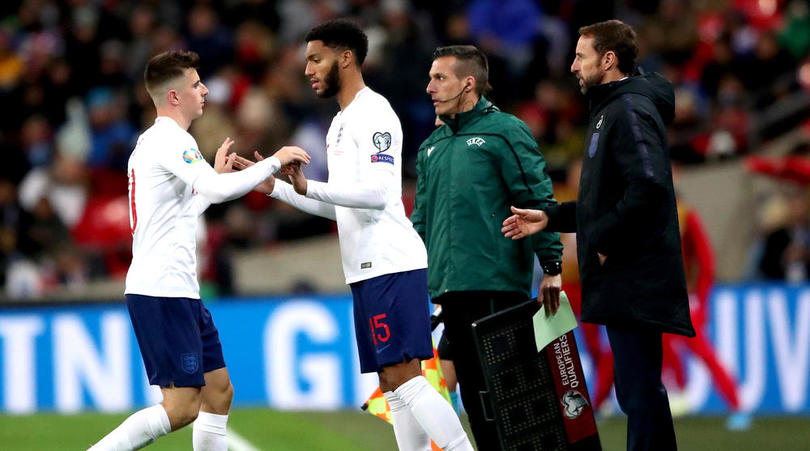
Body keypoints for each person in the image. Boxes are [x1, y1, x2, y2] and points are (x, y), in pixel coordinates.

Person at [238, 20, 473, 451]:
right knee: (392, 381)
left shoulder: (374, 113)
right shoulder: (338, 124)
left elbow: (382, 193)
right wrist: (280, 189)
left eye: (315, 58)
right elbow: (338, 204)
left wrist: (309, 186)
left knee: (405, 377)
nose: (307, 69)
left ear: (345, 58)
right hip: (365, 269)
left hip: (390, 263)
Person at [89, 50, 310, 451]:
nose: (204, 90)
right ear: (174, 97)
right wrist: (274, 161)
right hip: (163, 290)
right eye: (195, 84)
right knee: (181, 407)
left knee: (219, 391)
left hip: (178, 288)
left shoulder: (160, 142)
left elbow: (187, 209)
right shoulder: (170, 139)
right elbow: (214, 188)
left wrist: (215, 178)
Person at [501, 20, 695, 451]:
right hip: (628, 275)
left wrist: (605, 240)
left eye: (580, 56)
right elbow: (606, 201)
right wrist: (548, 218)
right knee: (639, 391)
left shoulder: (627, 110)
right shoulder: (615, 107)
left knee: (639, 392)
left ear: (608, 60)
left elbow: (648, 186)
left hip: (633, 274)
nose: (572, 66)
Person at [411, 44, 563, 450]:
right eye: (430, 78)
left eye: (439, 78)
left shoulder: (505, 131)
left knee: (510, 402)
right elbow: (421, 223)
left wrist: (551, 265)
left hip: (497, 289)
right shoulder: (431, 147)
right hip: (450, 290)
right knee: (476, 402)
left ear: (468, 84)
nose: (429, 88)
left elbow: (536, 197)